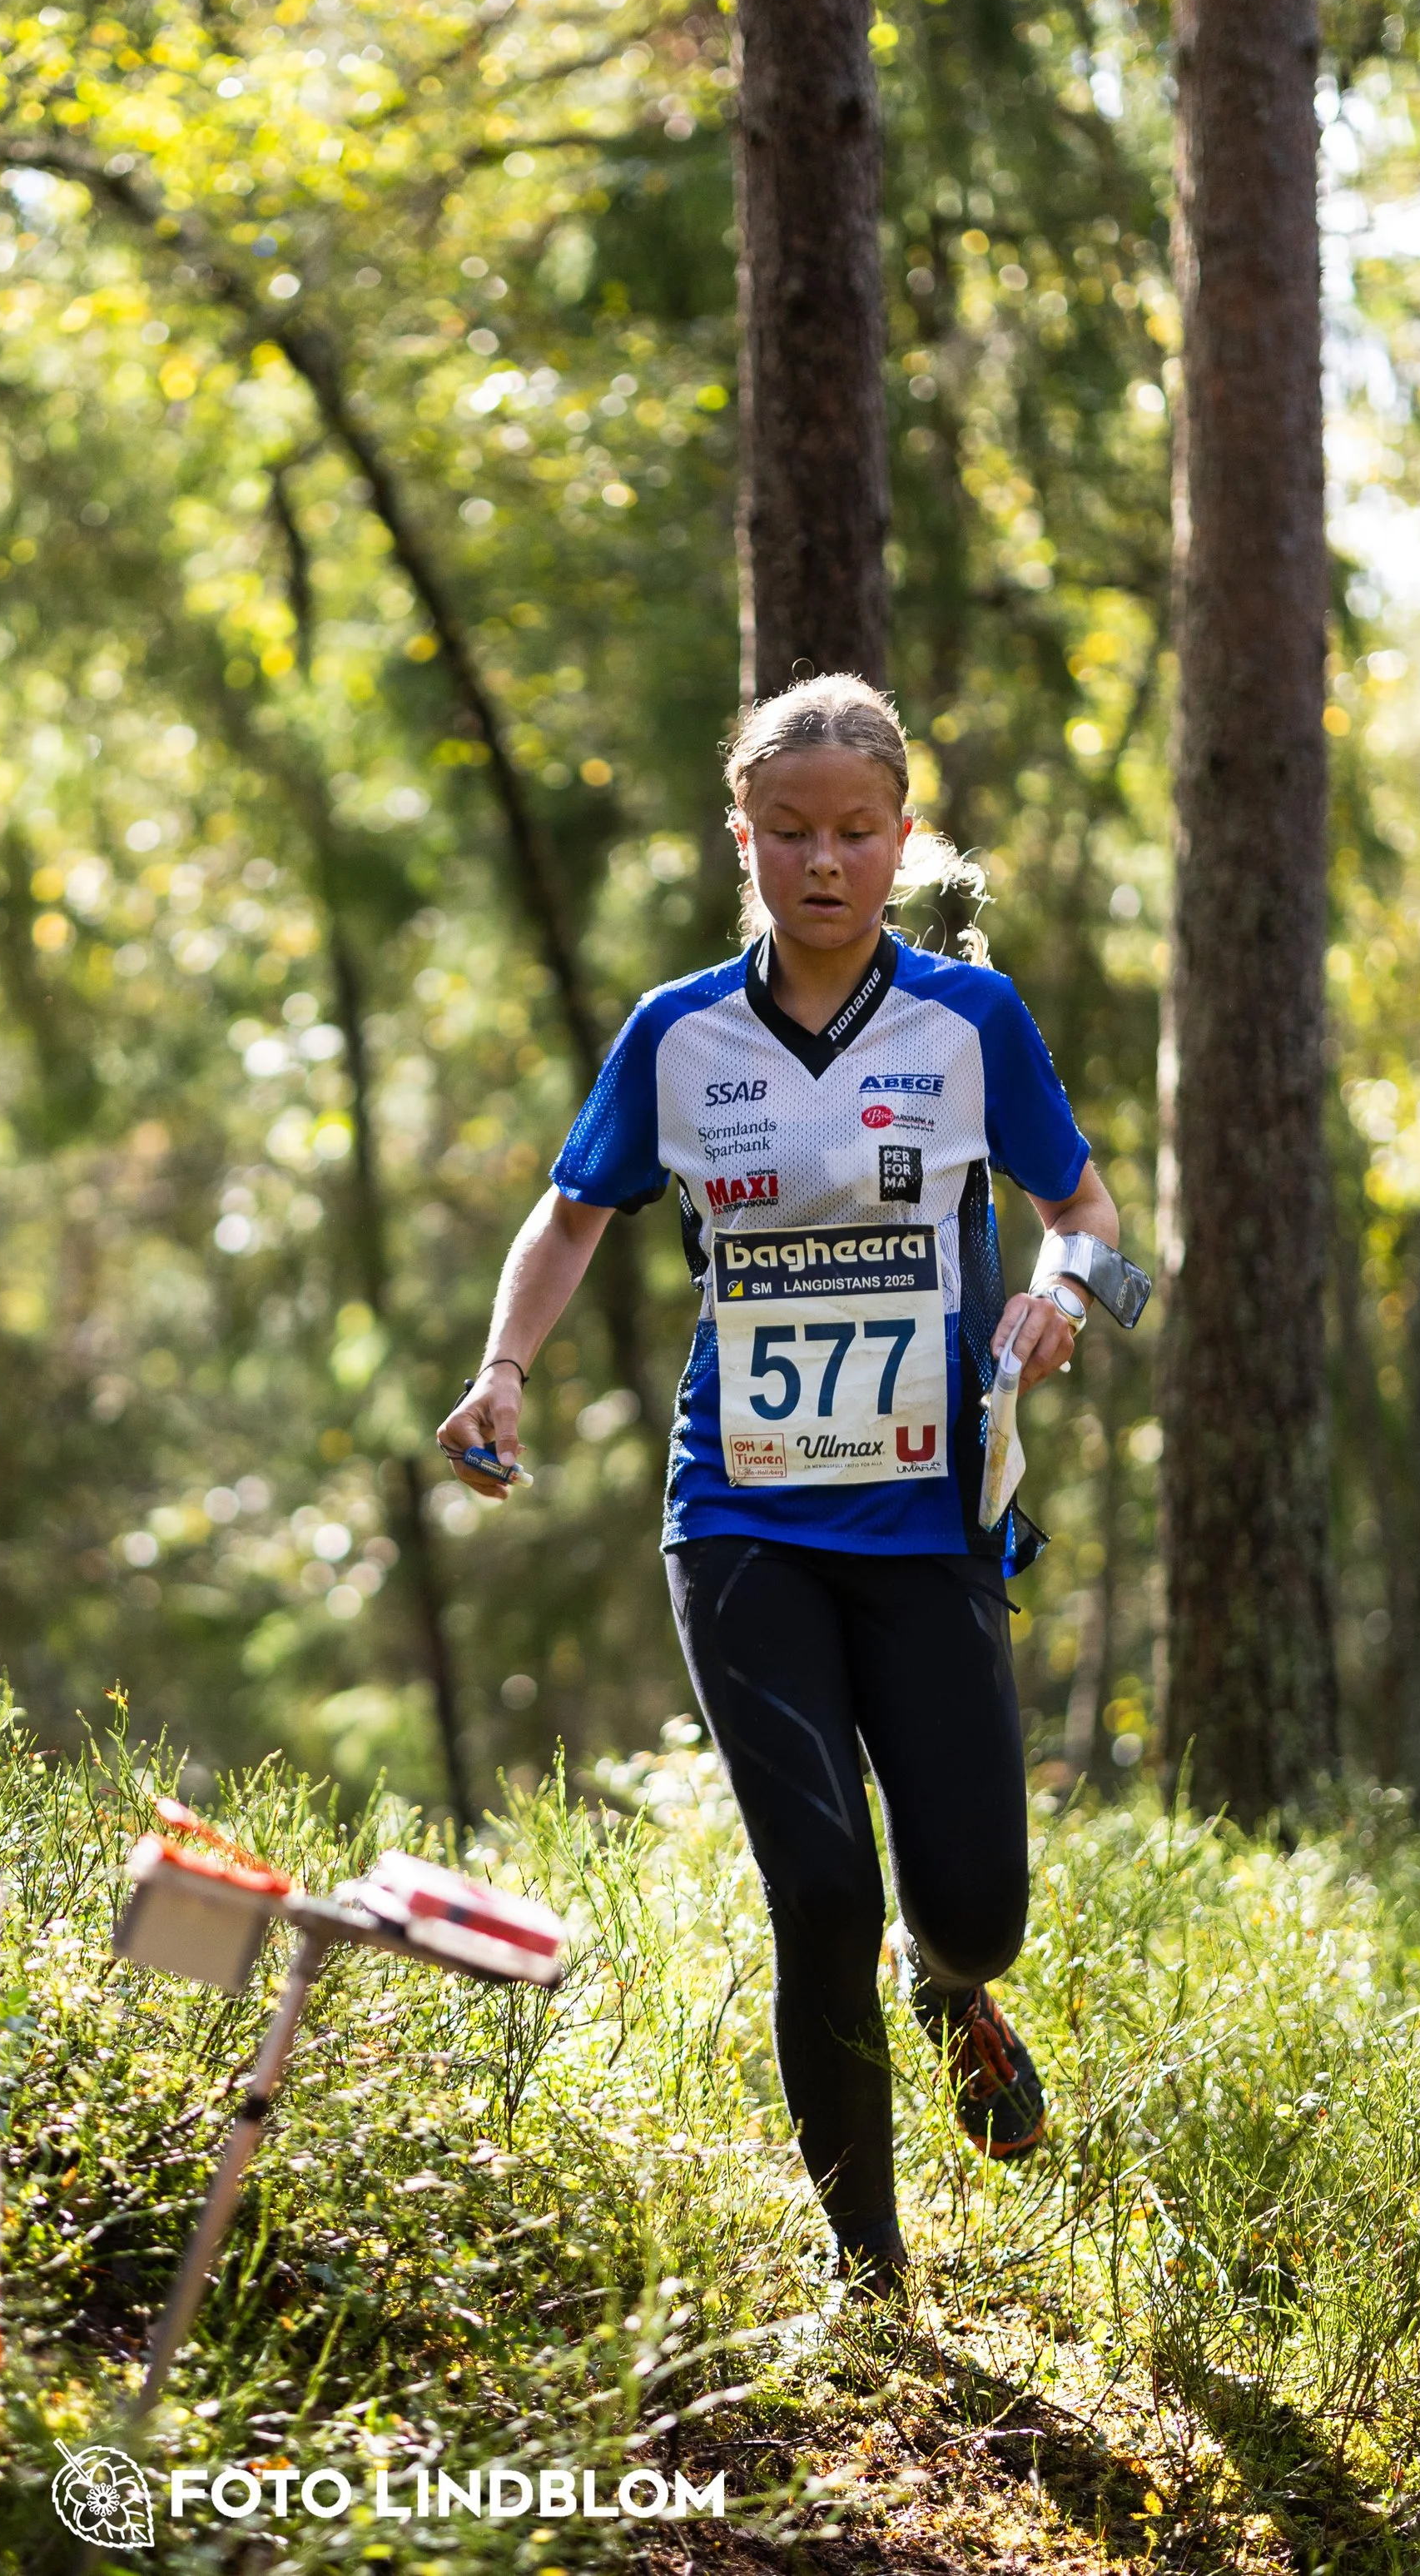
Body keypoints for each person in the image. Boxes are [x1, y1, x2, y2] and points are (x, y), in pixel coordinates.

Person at [436, 674, 1120, 2300]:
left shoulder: (970, 1021)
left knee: (976, 1907)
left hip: (930, 1513)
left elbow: (1090, 1217)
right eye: (791, 831)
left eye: (856, 832)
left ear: (902, 838)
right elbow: (569, 1214)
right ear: (740, 838)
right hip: (740, 1517)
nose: (824, 860)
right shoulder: (679, 1035)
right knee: (818, 1883)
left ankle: (948, 1985)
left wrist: (1063, 1299)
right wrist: (503, 1367)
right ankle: (867, 2263)